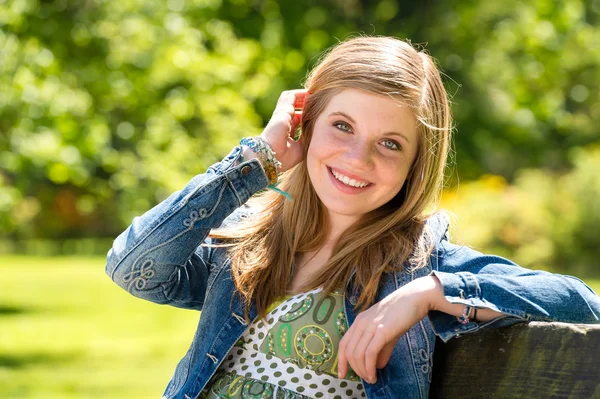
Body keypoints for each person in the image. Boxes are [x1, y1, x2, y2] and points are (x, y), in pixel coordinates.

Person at [105, 36, 600, 399]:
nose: (358, 159)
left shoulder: (419, 267)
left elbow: (582, 304)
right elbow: (132, 269)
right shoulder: (249, 247)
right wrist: (256, 161)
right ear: (305, 126)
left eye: (390, 144)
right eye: (341, 126)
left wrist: (428, 293)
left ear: (414, 165)